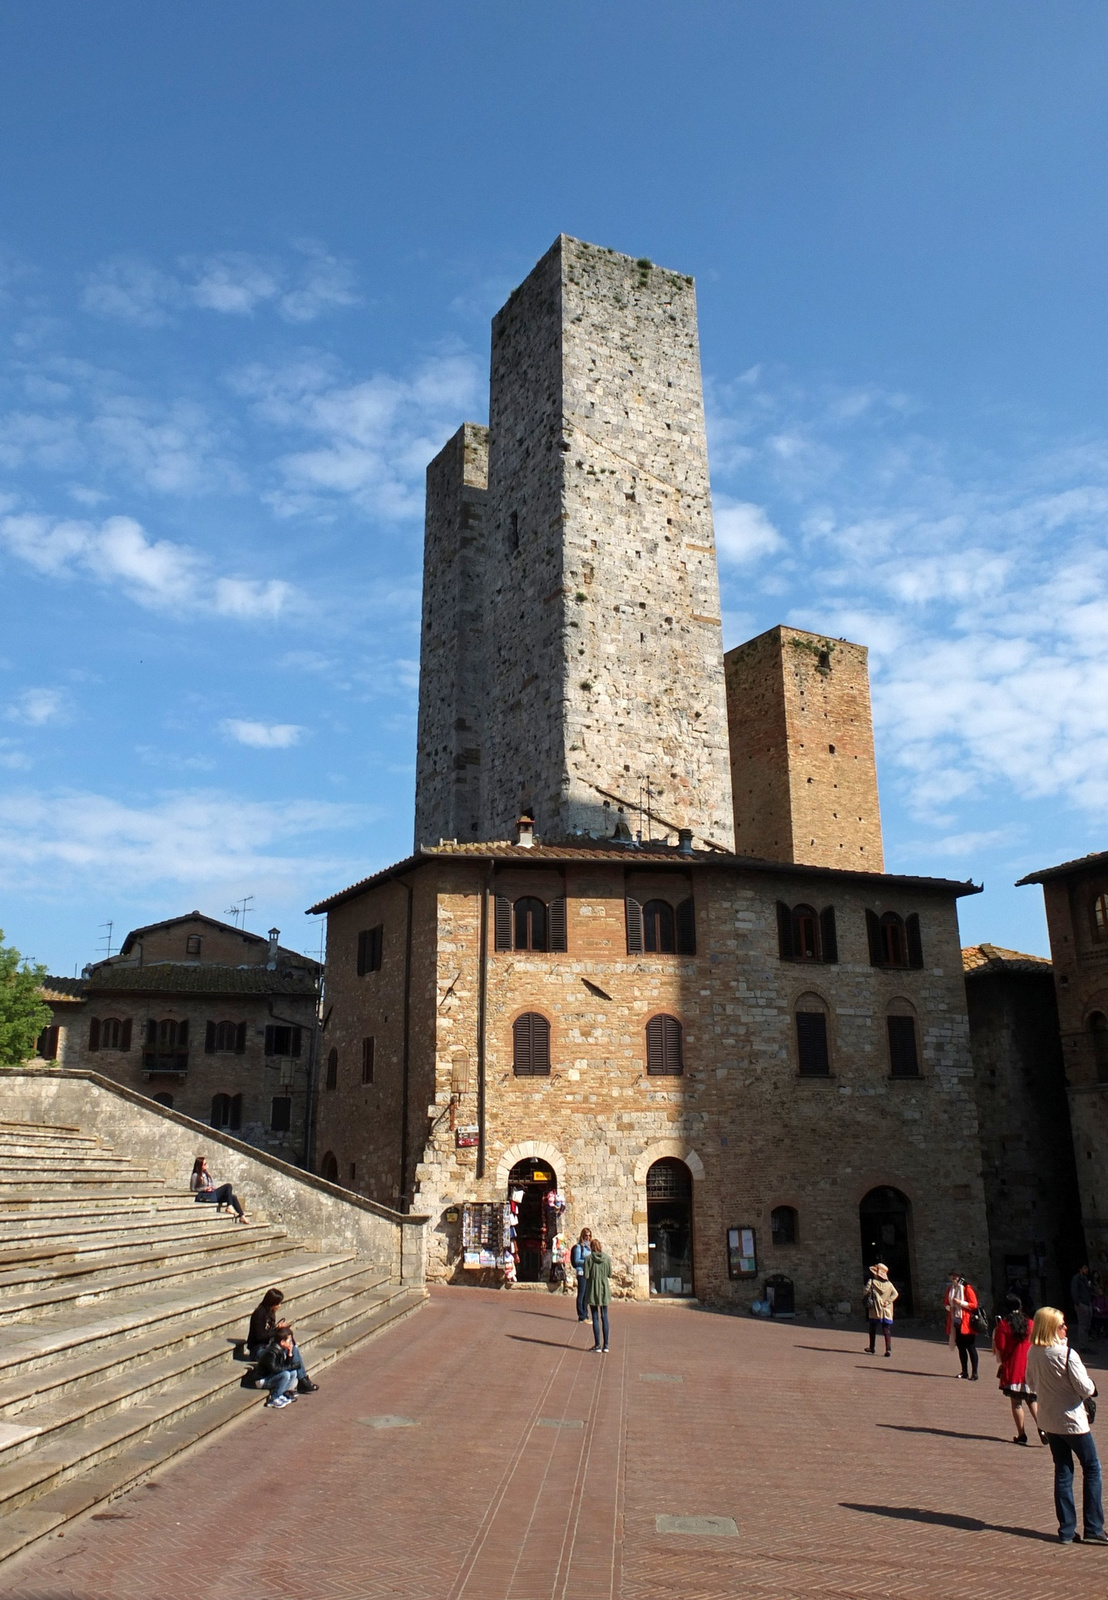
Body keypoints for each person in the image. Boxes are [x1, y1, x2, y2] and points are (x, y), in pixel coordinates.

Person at [1026, 1306, 1106, 1545]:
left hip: (1050, 1419)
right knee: (1092, 1467)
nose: (1065, 1328)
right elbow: (1084, 1387)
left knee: (1063, 1471)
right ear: (1052, 1328)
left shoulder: (1034, 1352)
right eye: (1061, 1325)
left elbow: (1030, 1382)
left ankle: (1067, 1530)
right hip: (1072, 1421)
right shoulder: (1066, 1354)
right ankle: (1093, 1526)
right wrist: (1092, 1386)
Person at [993, 1293, 1039, 1445]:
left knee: (1017, 1402)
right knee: (1032, 1400)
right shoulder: (1030, 1323)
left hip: (1013, 1367)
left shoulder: (1004, 1325)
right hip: (1029, 1365)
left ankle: (1022, 1434)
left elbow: (1000, 1346)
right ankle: (1043, 1428)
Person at [252, 1325, 302, 1409]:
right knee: (285, 1374)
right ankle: (274, 1398)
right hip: (263, 1380)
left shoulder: (281, 1349)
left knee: (293, 1372)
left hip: (272, 1376)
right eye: (289, 1341)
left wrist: (290, 1355)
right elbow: (275, 1369)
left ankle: (284, 1392)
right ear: (282, 1342)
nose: (291, 1343)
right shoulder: (272, 1352)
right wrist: (291, 1366)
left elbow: (285, 1365)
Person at [190, 1156, 247, 1223]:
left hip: (212, 1194)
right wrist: (204, 1189)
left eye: (206, 1163)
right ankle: (229, 1206)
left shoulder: (206, 1174)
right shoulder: (195, 1175)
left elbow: (212, 1184)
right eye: (204, 1164)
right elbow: (193, 1189)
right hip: (207, 1196)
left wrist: (212, 1187)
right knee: (228, 1186)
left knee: (233, 1197)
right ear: (200, 1165)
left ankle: (242, 1216)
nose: (206, 1165)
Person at [945, 1270, 980, 1379]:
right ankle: (964, 1371)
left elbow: (974, 1305)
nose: (953, 1277)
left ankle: (975, 1372)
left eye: (955, 1276)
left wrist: (961, 1303)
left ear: (960, 1277)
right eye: (952, 1275)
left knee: (970, 1347)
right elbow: (946, 1302)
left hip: (967, 1321)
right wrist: (949, 1307)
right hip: (955, 1320)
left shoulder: (967, 1288)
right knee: (961, 1347)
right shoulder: (950, 1289)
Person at [862, 1262, 898, 1357]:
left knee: (872, 1328)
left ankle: (872, 1347)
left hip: (875, 1309)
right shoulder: (889, 1285)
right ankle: (888, 1349)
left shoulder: (872, 1282)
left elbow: (865, 1291)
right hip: (886, 1309)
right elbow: (895, 1294)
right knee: (886, 1330)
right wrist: (888, 1301)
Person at [584, 1237, 612, 1353]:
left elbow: (586, 1275)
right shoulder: (607, 1258)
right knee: (604, 1316)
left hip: (593, 1288)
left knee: (595, 1316)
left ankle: (597, 1345)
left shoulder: (589, 1259)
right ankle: (606, 1345)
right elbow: (610, 1274)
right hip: (604, 1288)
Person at [246, 1288, 285, 1358]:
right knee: (279, 1355)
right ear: (272, 1302)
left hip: (267, 1345)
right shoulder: (259, 1313)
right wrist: (277, 1330)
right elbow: (260, 1336)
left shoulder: (270, 1313)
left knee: (291, 1348)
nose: (279, 1305)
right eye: (278, 1303)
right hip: (258, 1348)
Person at [570, 1228, 593, 1323]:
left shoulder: (590, 1247)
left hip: (588, 1273)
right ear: (582, 1236)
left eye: (589, 1235)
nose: (587, 1237)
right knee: (581, 1294)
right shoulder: (580, 1247)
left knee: (586, 1295)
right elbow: (576, 1260)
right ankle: (581, 1315)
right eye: (586, 1236)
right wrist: (587, 1261)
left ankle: (585, 1314)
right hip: (581, 1272)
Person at [1071, 1265, 1094, 1352]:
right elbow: (1074, 1291)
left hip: (1087, 1303)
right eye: (1084, 1268)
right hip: (1081, 1304)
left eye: (1087, 1268)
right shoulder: (1076, 1279)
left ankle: (1086, 1344)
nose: (1087, 1270)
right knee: (1082, 1325)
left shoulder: (1085, 1278)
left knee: (1087, 1325)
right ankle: (1083, 1346)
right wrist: (1078, 1303)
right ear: (1080, 1269)